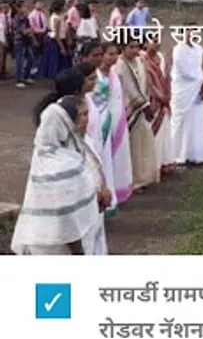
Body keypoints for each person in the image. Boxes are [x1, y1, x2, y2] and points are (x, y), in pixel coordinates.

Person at [10, 96, 100, 255]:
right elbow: (65, 217)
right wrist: (79, 252)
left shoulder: (46, 152)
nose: (88, 119)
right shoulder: (61, 165)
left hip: (44, 238)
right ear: (67, 122)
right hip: (58, 246)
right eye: (84, 114)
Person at [92, 43, 133, 213]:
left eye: (115, 54)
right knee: (102, 160)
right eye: (109, 54)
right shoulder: (95, 76)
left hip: (117, 121)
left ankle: (116, 191)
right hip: (100, 124)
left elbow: (119, 96)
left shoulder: (114, 73)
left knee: (116, 159)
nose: (113, 58)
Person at [116, 38, 160, 190]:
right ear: (123, 48)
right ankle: (132, 181)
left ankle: (144, 177)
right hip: (130, 110)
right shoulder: (120, 65)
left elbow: (145, 84)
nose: (135, 50)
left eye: (137, 47)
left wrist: (148, 101)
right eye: (131, 47)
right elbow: (129, 89)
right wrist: (144, 105)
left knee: (143, 144)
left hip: (142, 108)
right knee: (132, 147)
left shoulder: (140, 62)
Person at [170, 27, 203, 166]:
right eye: (190, 31)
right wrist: (200, 80)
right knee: (180, 121)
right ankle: (177, 154)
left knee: (196, 120)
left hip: (196, 90)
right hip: (184, 90)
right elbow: (185, 72)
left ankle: (196, 154)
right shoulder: (178, 50)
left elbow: (202, 67)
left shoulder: (199, 49)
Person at [76, 97, 110, 254]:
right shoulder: (60, 153)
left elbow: (97, 166)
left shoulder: (87, 140)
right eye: (83, 114)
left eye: (88, 113)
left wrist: (104, 188)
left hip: (95, 207)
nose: (88, 119)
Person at [142, 38, 175, 175]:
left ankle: (164, 162)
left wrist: (167, 96)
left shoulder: (161, 57)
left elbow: (167, 77)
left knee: (164, 131)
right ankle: (153, 165)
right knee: (153, 133)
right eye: (153, 41)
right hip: (152, 102)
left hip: (164, 100)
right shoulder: (142, 60)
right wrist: (160, 97)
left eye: (158, 41)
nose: (157, 44)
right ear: (145, 43)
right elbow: (148, 83)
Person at [39, 0, 71, 79]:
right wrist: (62, 47)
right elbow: (57, 35)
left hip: (58, 39)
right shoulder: (57, 19)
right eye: (64, 6)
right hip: (57, 41)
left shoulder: (56, 16)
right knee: (58, 61)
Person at [12, 0, 35, 89]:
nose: (26, 8)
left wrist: (29, 31)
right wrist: (29, 31)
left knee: (31, 58)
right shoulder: (16, 19)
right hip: (19, 41)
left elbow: (29, 29)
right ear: (19, 8)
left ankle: (26, 76)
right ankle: (19, 80)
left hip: (27, 41)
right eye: (24, 7)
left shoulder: (26, 18)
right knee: (20, 61)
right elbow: (24, 31)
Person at [28, 0, 48, 75]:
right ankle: (32, 71)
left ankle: (39, 70)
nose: (41, 5)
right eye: (39, 3)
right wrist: (34, 40)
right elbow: (31, 28)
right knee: (35, 54)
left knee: (42, 54)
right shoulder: (31, 15)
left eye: (42, 3)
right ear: (34, 4)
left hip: (43, 35)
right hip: (36, 35)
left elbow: (45, 25)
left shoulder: (42, 14)